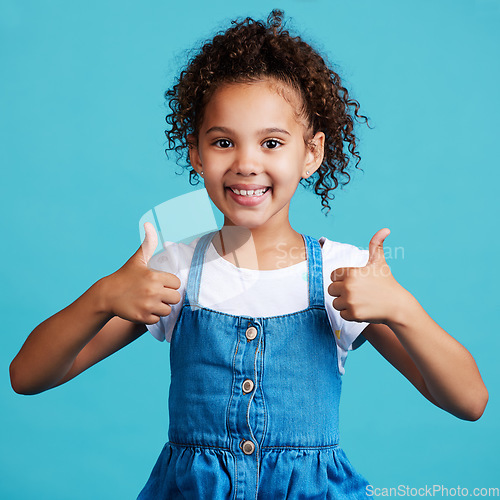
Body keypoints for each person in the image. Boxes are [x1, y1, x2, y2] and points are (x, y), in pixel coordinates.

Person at [10, 10, 488, 499]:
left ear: (311, 153)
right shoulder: (173, 271)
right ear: (196, 152)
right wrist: (102, 296)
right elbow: (27, 376)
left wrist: (403, 310)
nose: (246, 163)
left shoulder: (345, 276)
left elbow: (469, 401)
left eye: (272, 143)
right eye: (223, 142)